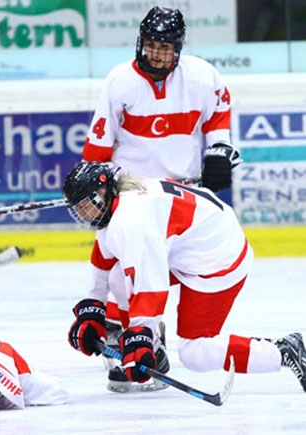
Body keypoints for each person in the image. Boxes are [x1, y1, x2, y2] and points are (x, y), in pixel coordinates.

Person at [80, 5, 243, 392]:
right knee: (123, 277)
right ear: (141, 43)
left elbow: (219, 115)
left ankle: (145, 337)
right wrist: (97, 184)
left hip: (180, 195)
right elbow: (97, 149)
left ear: (178, 49)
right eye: (151, 45)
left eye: (165, 47)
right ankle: (145, 341)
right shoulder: (120, 81)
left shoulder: (203, 77)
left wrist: (219, 150)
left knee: (145, 275)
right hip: (132, 192)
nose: (157, 54)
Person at [62, 161, 306, 394]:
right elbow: (104, 258)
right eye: (78, 209)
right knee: (118, 275)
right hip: (201, 238)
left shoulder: (132, 222)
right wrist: (93, 306)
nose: (83, 215)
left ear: (103, 192)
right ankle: (153, 347)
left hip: (218, 259)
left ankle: (281, 351)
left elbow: (150, 285)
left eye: (85, 205)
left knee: (195, 353)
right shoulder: (120, 201)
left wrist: (140, 333)